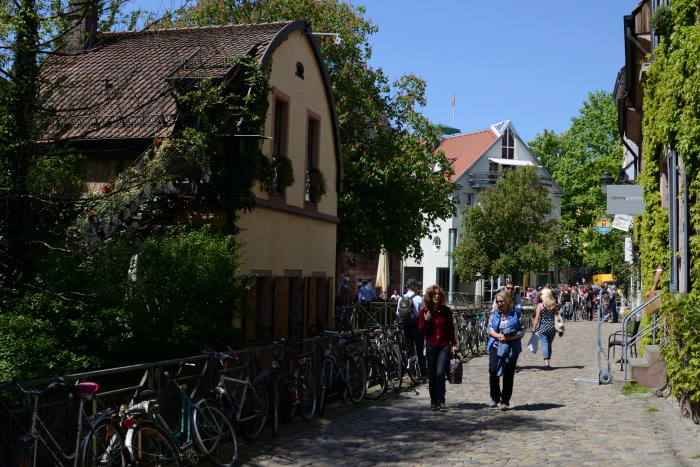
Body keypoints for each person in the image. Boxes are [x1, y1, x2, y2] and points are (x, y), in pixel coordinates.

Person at [418, 285, 457, 411]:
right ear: (430, 296)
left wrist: (454, 344)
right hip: (431, 345)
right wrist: (426, 320)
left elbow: (451, 328)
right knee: (432, 375)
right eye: (434, 294)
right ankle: (433, 401)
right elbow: (420, 330)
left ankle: (441, 400)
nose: (437, 296)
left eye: (439, 294)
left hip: (444, 345)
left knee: (440, 373)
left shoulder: (446, 311)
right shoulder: (424, 311)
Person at [486, 290, 524, 411]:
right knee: (493, 370)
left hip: (511, 346)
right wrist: (498, 336)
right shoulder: (495, 314)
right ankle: (495, 397)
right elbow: (489, 328)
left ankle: (505, 400)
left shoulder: (516, 312)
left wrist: (509, 338)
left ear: (507, 301)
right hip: (496, 344)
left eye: (501, 301)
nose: (499, 304)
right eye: (497, 301)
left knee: (508, 373)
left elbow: (521, 331)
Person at [396, 279, 427, 377]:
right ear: (413, 286)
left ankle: (411, 371)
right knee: (420, 350)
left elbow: (398, 313)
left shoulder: (401, 298)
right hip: (417, 326)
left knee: (409, 350)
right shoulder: (418, 298)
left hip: (406, 326)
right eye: (417, 285)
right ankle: (423, 372)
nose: (418, 287)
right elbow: (422, 314)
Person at [531, 287, 562, 371]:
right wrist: (560, 329)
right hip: (552, 328)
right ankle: (548, 360)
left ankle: (546, 363)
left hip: (543, 328)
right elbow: (558, 317)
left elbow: (537, 318)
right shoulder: (554, 305)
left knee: (545, 345)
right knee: (549, 345)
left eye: (541, 294)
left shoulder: (540, 305)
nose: (540, 296)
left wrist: (534, 328)